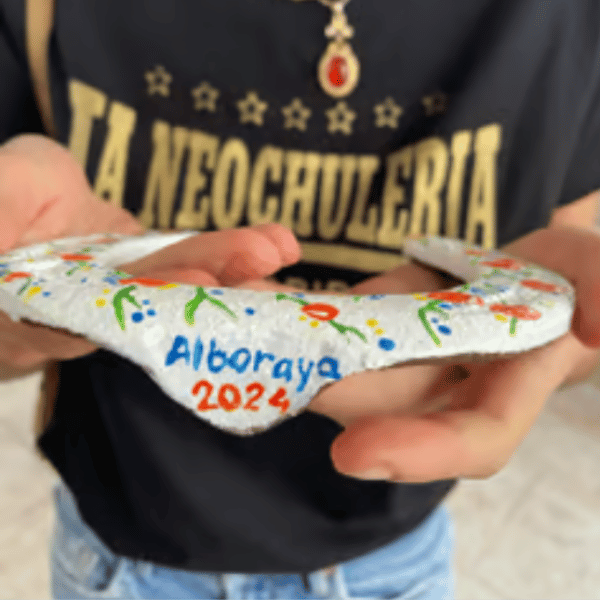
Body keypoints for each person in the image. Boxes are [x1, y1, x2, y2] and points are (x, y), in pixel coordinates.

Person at [1, 0, 600, 598]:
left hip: (391, 560)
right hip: (120, 547)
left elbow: (569, 298)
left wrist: (554, 343)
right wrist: (24, 311)